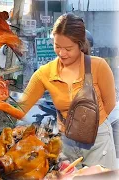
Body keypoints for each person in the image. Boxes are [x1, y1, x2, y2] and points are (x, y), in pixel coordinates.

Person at [19, 13, 117, 169]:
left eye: (68, 48)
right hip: (67, 140)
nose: (61, 53)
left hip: (97, 139)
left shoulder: (98, 66)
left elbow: (110, 103)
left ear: (80, 45)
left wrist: (88, 126)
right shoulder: (44, 73)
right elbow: (21, 107)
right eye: (57, 46)